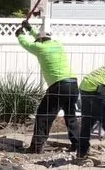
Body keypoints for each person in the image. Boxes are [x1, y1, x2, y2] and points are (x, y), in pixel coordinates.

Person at [15, 22, 79, 153]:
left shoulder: (39, 48)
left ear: (39, 40)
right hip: (73, 84)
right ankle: (78, 145)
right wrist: (29, 29)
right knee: (71, 116)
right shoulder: (57, 44)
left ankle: (36, 147)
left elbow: (26, 44)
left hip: (58, 86)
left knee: (43, 116)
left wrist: (20, 34)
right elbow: (39, 38)